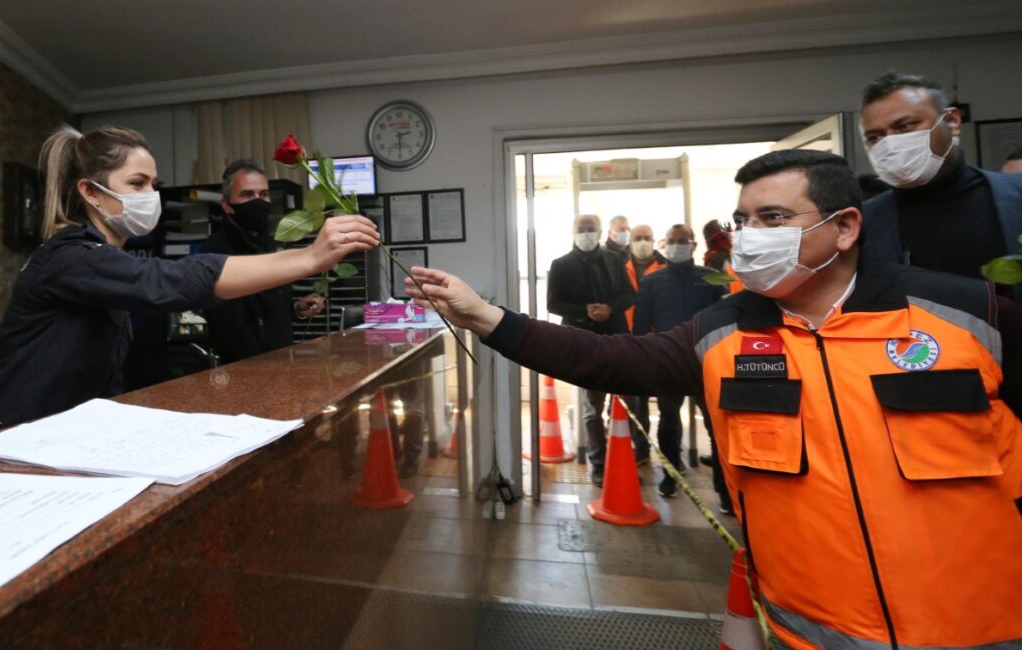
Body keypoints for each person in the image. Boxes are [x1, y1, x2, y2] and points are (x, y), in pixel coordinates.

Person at [406, 150, 1022, 650]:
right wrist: (486, 316)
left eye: (774, 218)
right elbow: (607, 359)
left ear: (845, 226)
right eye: (743, 220)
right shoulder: (724, 331)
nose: (751, 236)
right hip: (809, 632)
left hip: (982, 628)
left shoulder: (968, 315)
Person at [0, 125, 378, 429]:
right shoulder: (71, 257)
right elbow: (171, 280)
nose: (150, 197)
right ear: (90, 192)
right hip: (6, 433)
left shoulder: (104, 259)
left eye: (154, 184)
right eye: (136, 183)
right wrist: (310, 257)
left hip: (60, 433)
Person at [859, 72, 1022, 286]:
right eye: (875, 137)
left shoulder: (1016, 194)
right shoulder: (864, 222)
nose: (890, 143)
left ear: (952, 121)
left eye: (905, 126)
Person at [633, 224, 727, 505]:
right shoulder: (652, 281)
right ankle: (670, 476)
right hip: (669, 361)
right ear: (664, 246)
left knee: (716, 426)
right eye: (671, 242)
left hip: (706, 362)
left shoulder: (713, 276)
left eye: (682, 241)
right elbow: (640, 325)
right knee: (668, 421)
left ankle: (724, 490)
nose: (676, 246)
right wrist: (641, 358)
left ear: (694, 245)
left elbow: (726, 315)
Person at [546, 214, 640, 486]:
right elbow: (553, 304)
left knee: (625, 402)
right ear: (573, 232)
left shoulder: (615, 260)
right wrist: (584, 312)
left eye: (591, 229)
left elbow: (629, 295)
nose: (586, 233)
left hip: (617, 338)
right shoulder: (561, 265)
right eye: (581, 229)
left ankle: (623, 458)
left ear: (600, 232)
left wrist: (610, 308)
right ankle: (598, 465)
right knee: (591, 407)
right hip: (581, 339)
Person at [202, 159, 327, 363]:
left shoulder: (267, 243)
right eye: (247, 194)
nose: (258, 201)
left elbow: (267, 306)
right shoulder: (218, 252)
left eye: (263, 194)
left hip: (282, 362)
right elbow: (230, 328)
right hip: (247, 371)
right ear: (226, 205)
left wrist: (296, 310)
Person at [621, 224, 664, 466]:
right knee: (628, 398)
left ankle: (643, 448)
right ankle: (625, 444)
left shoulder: (664, 266)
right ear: (630, 242)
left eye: (647, 237)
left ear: (654, 240)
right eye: (638, 238)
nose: (643, 242)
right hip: (624, 339)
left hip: (653, 341)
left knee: (644, 400)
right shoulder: (619, 267)